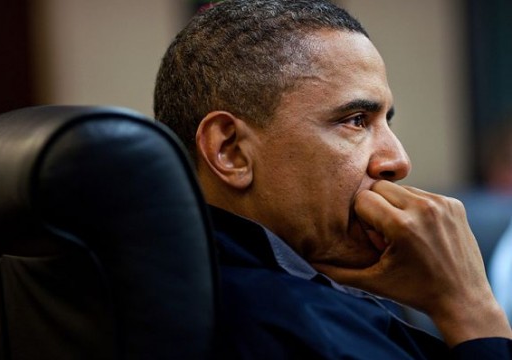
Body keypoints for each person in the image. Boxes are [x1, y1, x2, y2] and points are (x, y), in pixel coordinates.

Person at [153, 0, 512, 358]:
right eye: (356, 120)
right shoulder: (282, 323)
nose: (399, 161)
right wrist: (470, 309)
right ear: (230, 150)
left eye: (387, 120)